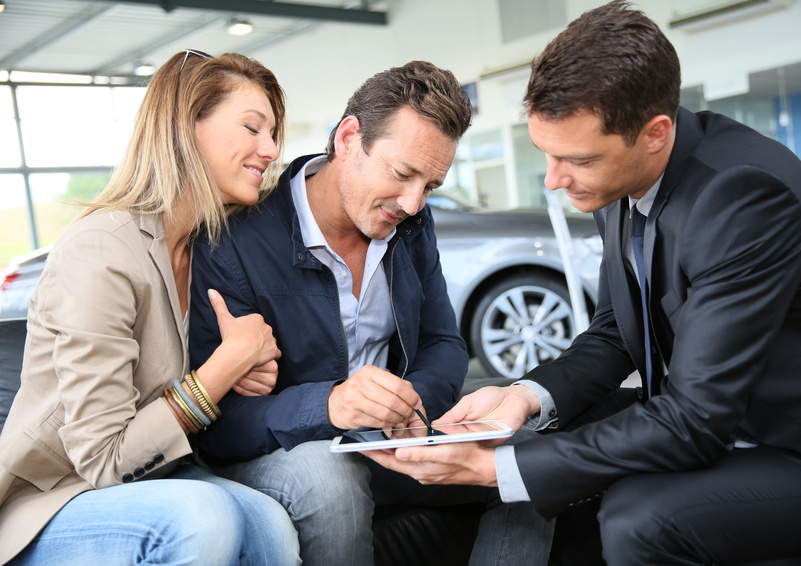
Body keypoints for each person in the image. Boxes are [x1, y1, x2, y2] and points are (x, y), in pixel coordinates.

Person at [365, 3, 801, 565]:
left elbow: (694, 420)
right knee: (519, 437)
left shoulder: (743, 196)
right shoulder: (620, 180)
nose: (553, 180)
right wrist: (522, 398)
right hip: (710, 415)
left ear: (655, 133)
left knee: (635, 519)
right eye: (546, 154)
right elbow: (616, 331)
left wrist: (494, 471)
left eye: (576, 159)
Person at [188, 60, 554, 565]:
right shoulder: (234, 241)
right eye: (403, 174)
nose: (412, 202)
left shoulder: (411, 224)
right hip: (284, 456)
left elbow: (443, 344)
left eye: (430, 186)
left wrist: (411, 406)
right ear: (347, 138)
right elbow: (219, 425)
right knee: (329, 479)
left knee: (529, 459)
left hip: (387, 443)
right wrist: (330, 406)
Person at [0, 50, 301, 565]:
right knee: (201, 516)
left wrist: (243, 368)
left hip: (164, 478)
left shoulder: (205, 248)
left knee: (269, 524)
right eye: (253, 128)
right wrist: (224, 367)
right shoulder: (102, 250)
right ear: (187, 128)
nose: (270, 149)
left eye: (272, 133)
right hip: (59, 500)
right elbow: (103, 459)